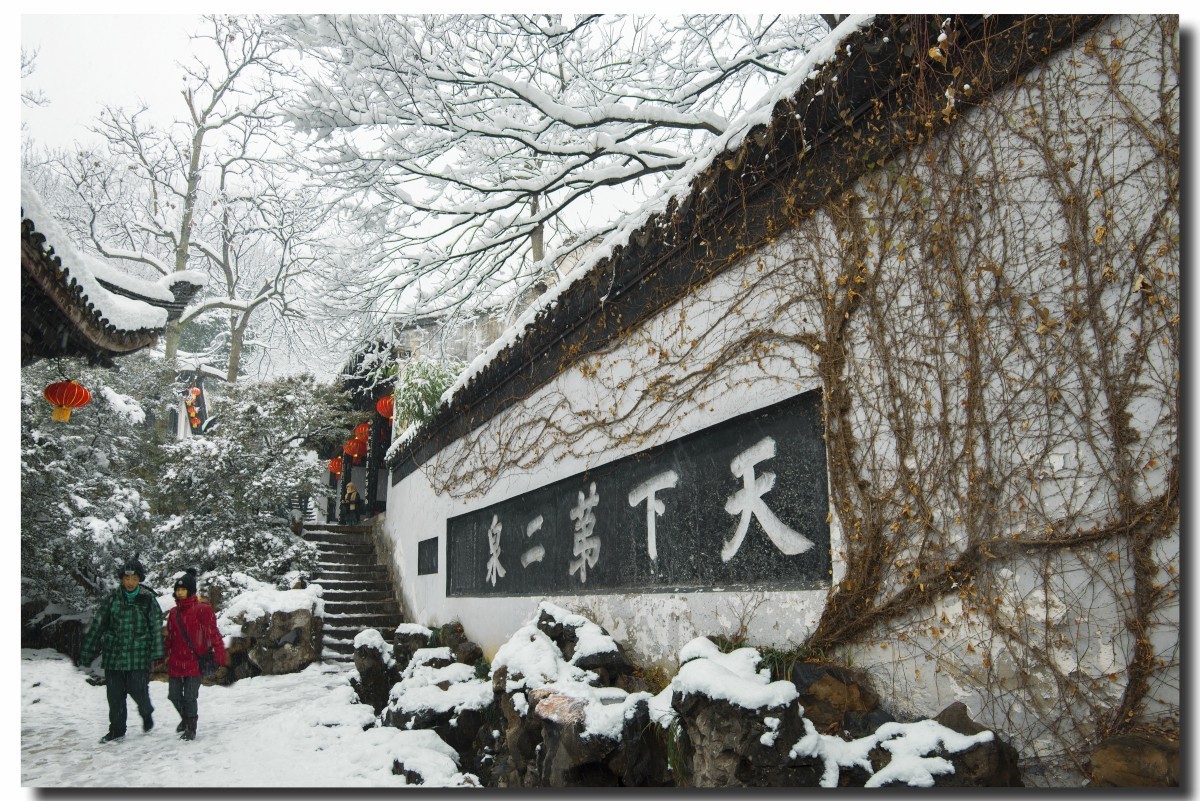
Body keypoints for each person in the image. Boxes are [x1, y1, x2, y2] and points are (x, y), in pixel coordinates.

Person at [78, 557, 164, 743]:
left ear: (139, 579)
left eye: (134, 579)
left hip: (138, 656)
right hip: (114, 656)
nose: (130, 582)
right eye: (127, 578)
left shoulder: (147, 599)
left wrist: (157, 653)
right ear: (122, 579)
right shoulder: (112, 599)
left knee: (138, 691)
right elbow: (99, 625)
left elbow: (156, 627)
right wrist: (87, 652)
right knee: (115, 696)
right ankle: (116, 730)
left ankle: (146, 712)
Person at [162, 569, 228, 741]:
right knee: (174, 695)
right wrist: (163, 655)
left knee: (190, 696)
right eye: (178, 590)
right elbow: (170, 637)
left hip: (195, 661)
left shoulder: (202, 610)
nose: (180, 592)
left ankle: (191, 727)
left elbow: (213, 633)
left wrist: (220, 653)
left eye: (183, 589)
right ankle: (185, 718)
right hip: (176, 661)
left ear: (190, 591)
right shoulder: (173, 613)